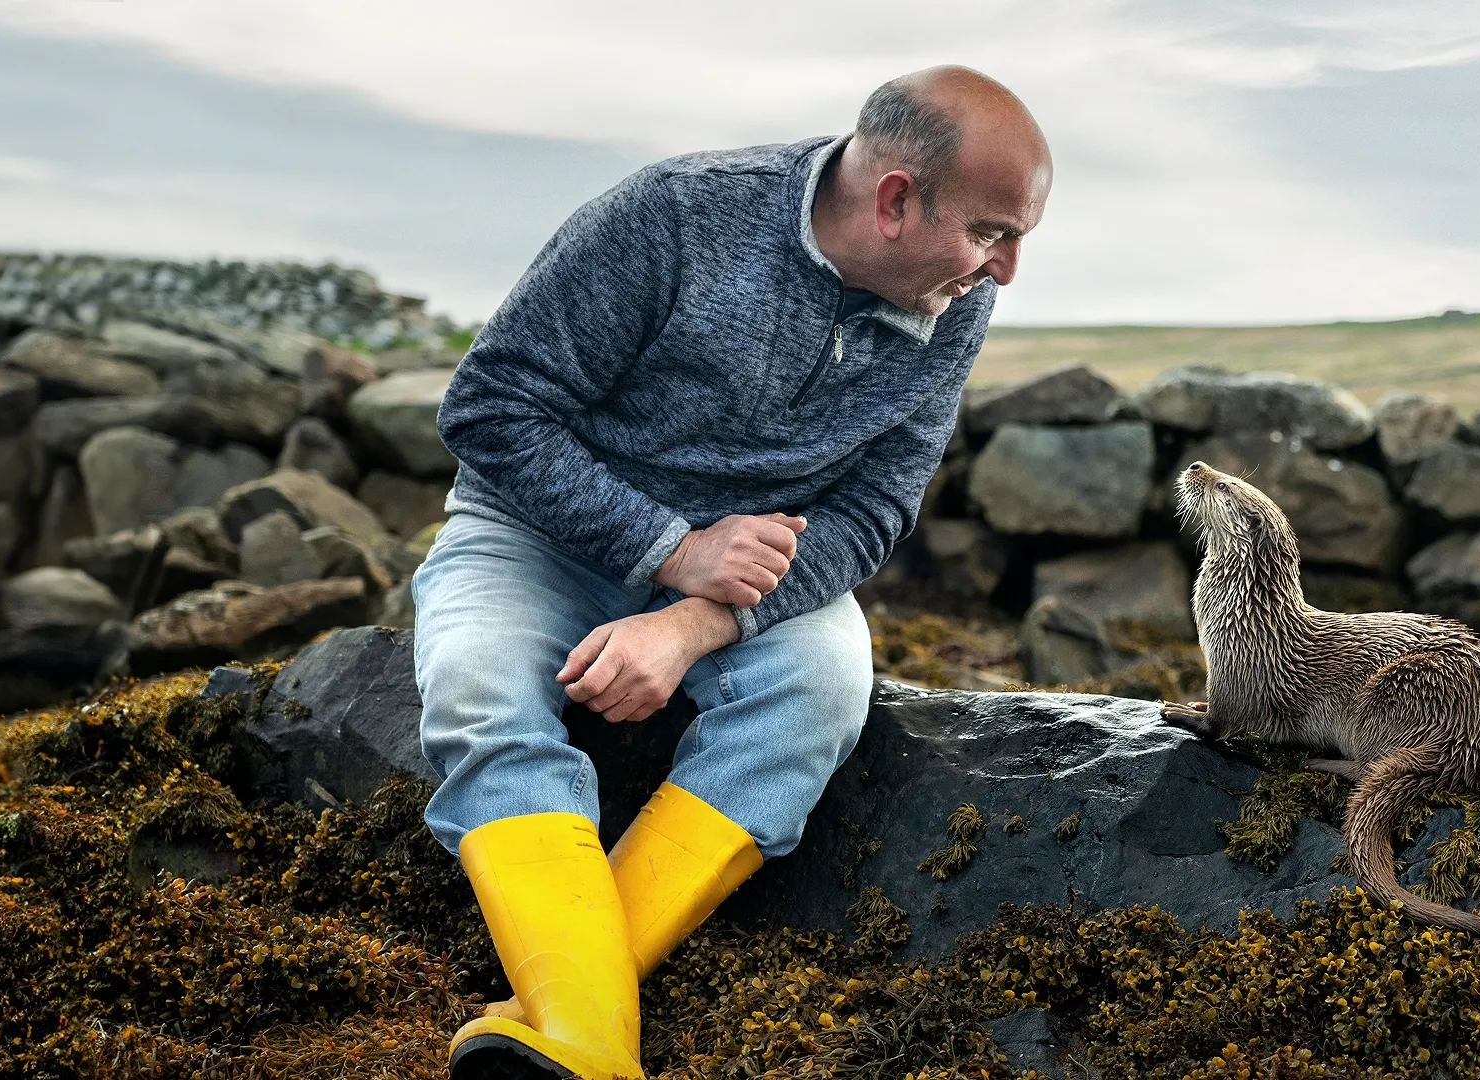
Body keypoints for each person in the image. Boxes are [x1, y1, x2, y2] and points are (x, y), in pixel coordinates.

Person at [413, 64, 1052, 1080]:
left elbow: (875, 513)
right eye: (991, 231)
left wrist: (691, 618)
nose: (1006, 269)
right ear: (894, 200)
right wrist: (669, 549)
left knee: (822, 690)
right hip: (534, 537)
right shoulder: (671, 218)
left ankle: (575, 1023)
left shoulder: (953, 299)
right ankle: (599, 1045)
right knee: (479, 692)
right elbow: (490, 409)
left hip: (748, 577)